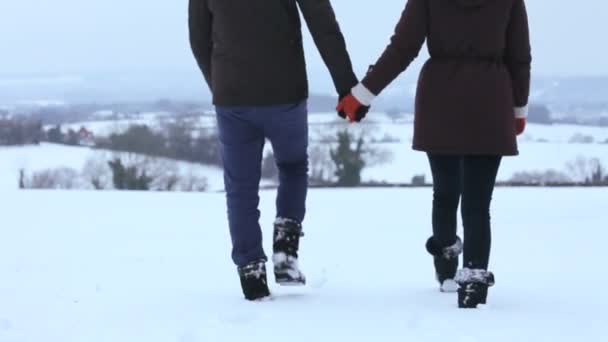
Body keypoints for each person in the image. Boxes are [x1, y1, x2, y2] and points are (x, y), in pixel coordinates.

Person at [337, 0, 531, 308]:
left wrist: (362, 95)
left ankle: (446, 265)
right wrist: (518, 107)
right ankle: (474, 279)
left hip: (441, 100)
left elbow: (402, 48)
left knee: (445, 191)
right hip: (490, 100)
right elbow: (519, 56)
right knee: (478, 203)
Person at [189, 0, 358, 301]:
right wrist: (346, 86)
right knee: (292, 167)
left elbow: (198, 37)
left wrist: (219, 83)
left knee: (240, 187)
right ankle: (285, 250)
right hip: (285, 92)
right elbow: (323, 25)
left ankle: (251, 271)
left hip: (232, 97)